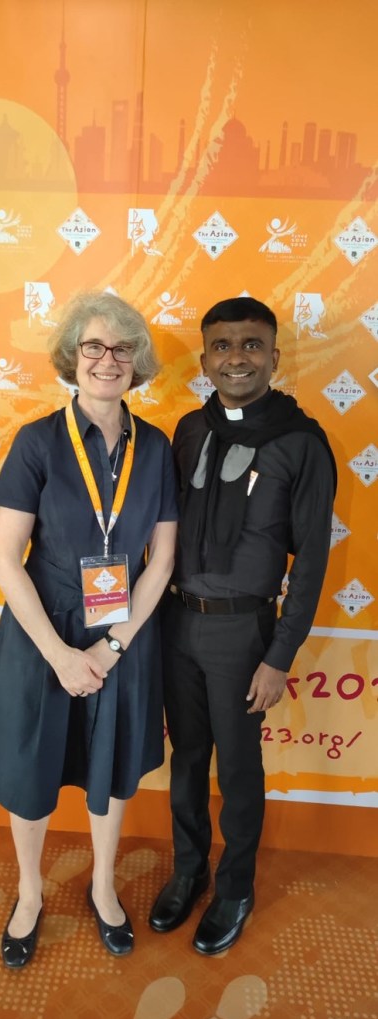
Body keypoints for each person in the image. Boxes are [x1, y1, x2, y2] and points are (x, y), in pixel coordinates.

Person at [0, 291, 177, 967]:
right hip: (43, 630)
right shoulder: (37, 442)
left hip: (123, 630)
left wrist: (110, 649)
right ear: (72, 356)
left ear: (137, 361)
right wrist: (60, 655)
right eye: (93, 347)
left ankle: (103, 886)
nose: (108, 360)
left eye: (122, 349)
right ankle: (29, 893)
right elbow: (6, 558)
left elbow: (161, 560)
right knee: (32, 767)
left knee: (107, 765)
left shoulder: (156, 447)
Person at [149, 296, 336, 955]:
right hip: (177, 623)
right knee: (185, 760)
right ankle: (188, 870)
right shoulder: (187, 430)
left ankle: (234, 887)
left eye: (251, 345)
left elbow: (311, 560)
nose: (236, 358)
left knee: (236, 770)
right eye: (222, 346)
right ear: (204, 361)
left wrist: (279, 655)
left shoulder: (301, 442)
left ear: (273, 357)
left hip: (243, 635)